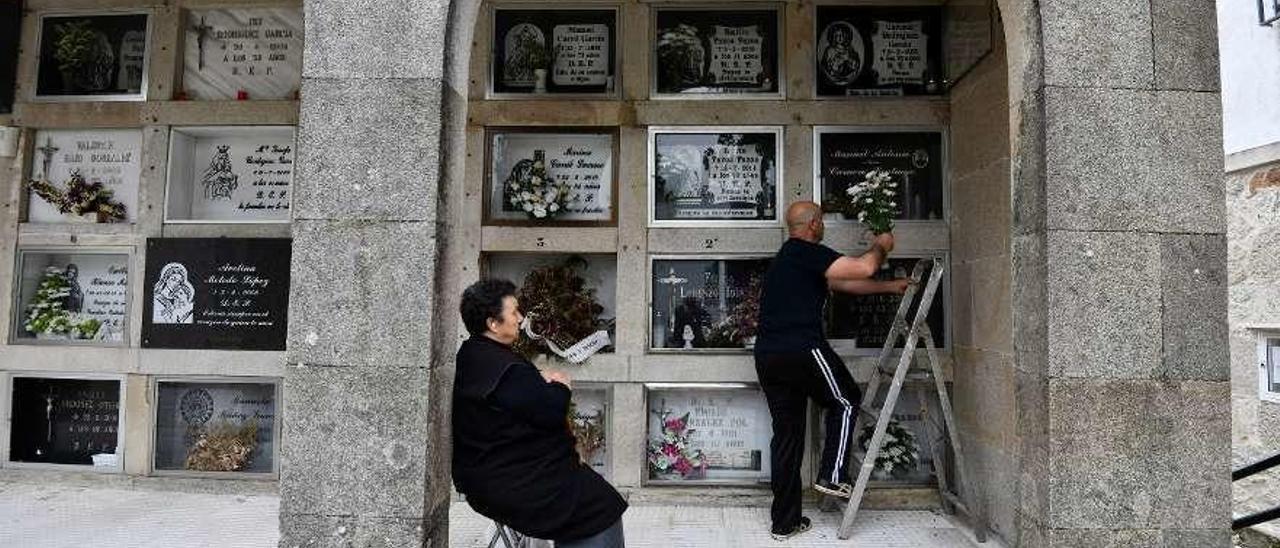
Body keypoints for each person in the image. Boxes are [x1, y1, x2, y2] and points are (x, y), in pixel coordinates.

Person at [753, 201, 908, 540]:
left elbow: (846, 283)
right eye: (821, 220)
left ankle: (785, 523)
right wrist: (882, 243)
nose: (822, 225)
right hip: (801, 349)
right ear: (814, 224)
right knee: (847, 399)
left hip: (769, 356)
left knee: (788, 438)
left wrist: (889, 287)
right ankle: (833, 475)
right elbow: (865, 267)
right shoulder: (807, 252)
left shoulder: (787, 259)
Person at [452, 279, 627, 548]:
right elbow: (550, 410)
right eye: (514, 313)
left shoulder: (474, 353)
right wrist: (561, 385)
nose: (521, 319)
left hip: (491, 474)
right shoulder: (505, 368)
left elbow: (521, 401)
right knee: (601, 507)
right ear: (493, 323)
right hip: (515, 481)